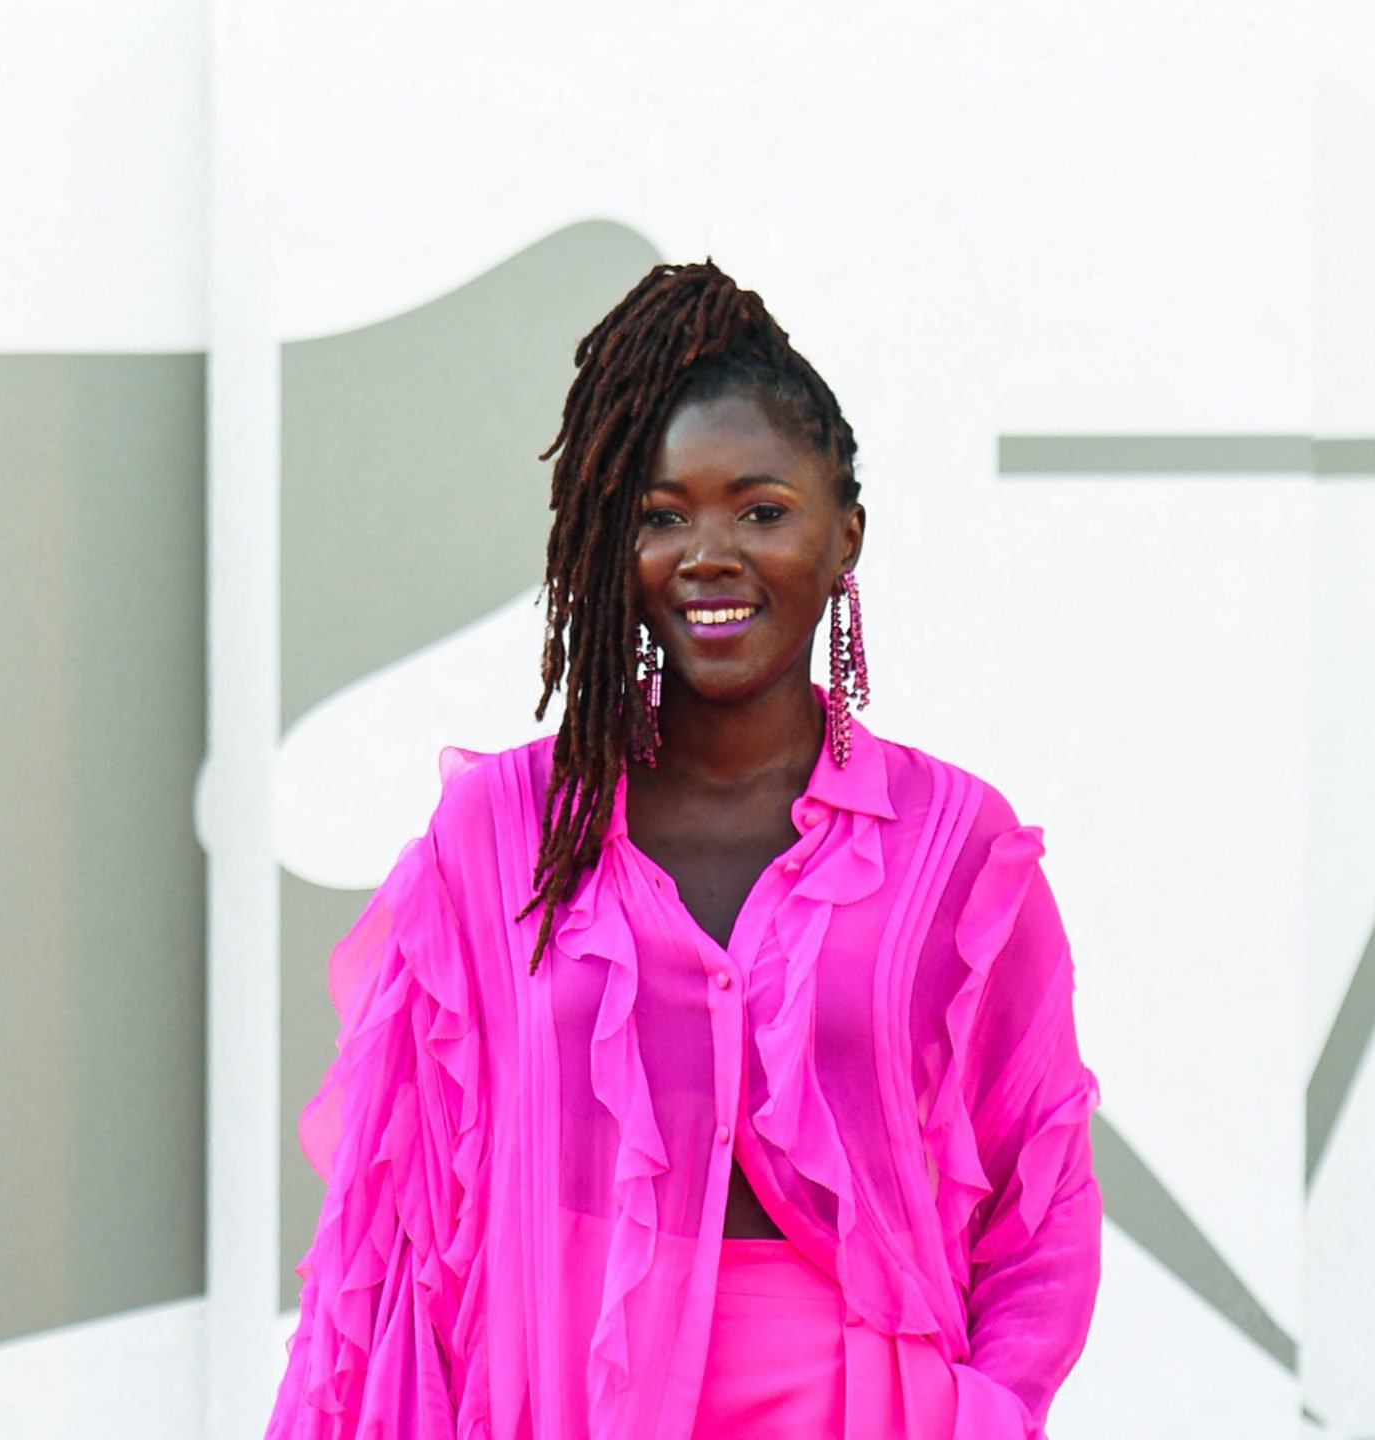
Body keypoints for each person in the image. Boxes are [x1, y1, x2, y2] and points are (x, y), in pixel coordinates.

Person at [266, 260, 1105, 1439]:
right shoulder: (502, 837)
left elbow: (1040, 1187)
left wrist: (980, 1414)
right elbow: (399, 1222)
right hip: (560, 1405)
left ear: (844, 532)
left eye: (761, 510)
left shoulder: (950, 847)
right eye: (663, 515)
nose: (709, 553)